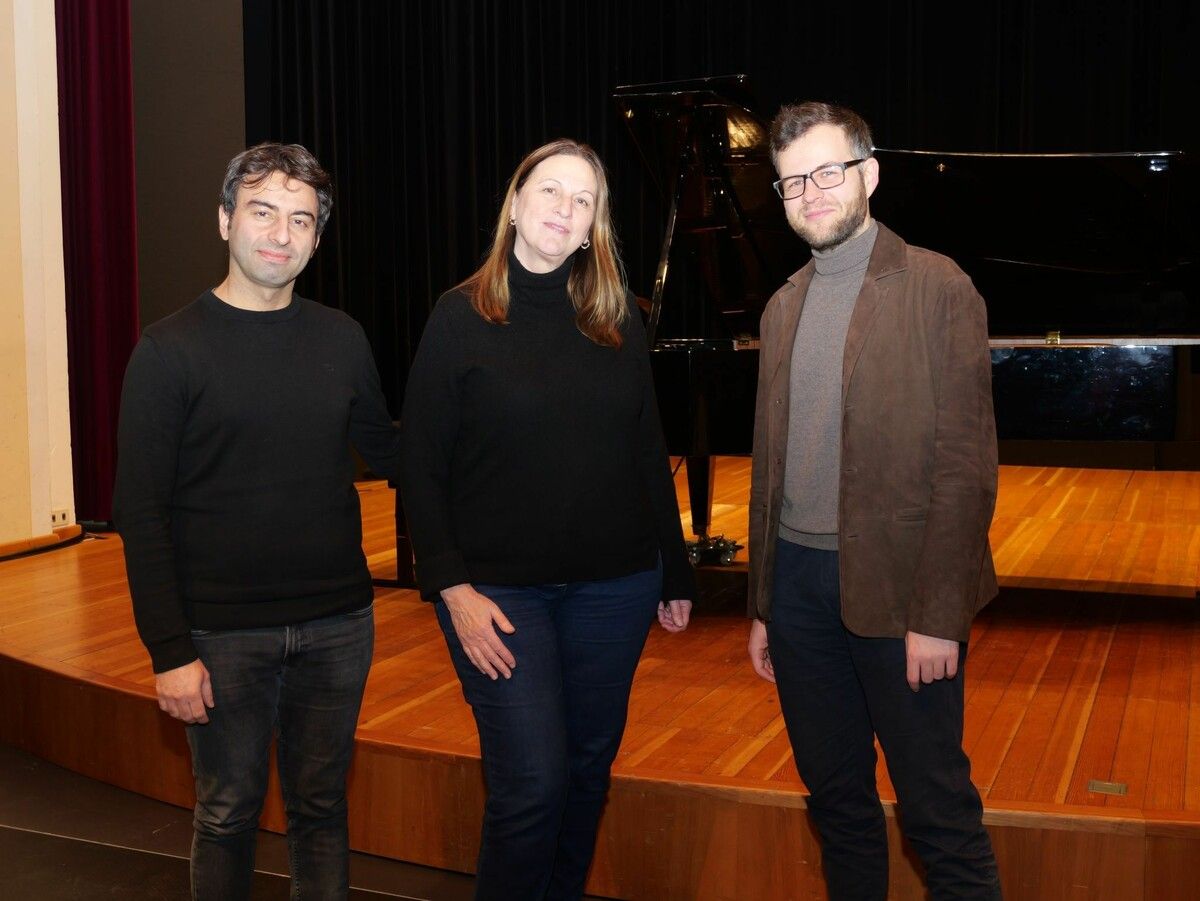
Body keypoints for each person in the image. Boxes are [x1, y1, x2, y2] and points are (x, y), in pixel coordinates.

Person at [399, 138, 695, 901]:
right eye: (551, 191)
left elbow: (645, 444)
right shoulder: (459, 316)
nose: (564, 210)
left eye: (584, 199)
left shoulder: (619, 314)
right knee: (531, 782)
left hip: (617, 587)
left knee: (587, 773)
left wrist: (676, 566)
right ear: (517, 201)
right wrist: (451, 589)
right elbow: (421, 467)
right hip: (500, 597)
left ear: (596, 223)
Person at [114, 143, 401, 900]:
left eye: (300, 218)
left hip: (339, 626)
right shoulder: (167, 351)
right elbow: (138, 514)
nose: (281, 232)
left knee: (322, 808)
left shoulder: (342, 338)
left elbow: (395, 454)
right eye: (263, 211)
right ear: (224, 220)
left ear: (316, 237)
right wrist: (169, 651)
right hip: (220, 636)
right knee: (228, 811)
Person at [746, 102, 1003, 899]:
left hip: (901, 595)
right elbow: (769, 470)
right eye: (793, 182)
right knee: (838, 806)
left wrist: (938, 612)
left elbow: (966, 465)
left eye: (827, 172)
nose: (810, 193)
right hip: (798, 594)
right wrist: (764, 603)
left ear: (870, 173)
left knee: (937, 815)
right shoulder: (781, 303)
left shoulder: (937, 284)